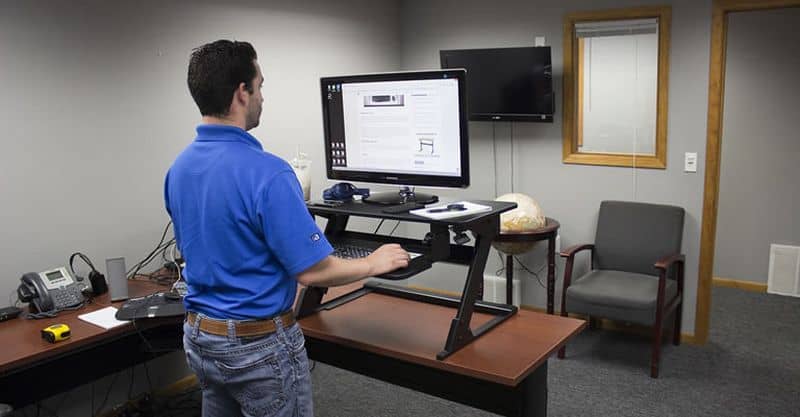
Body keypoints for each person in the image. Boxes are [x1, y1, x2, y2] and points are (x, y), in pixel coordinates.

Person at [164, 40, 410, 417]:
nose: (263, 96)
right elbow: (313, 270)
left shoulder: (178, 169)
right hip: (257, 347)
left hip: (201, 339)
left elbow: (210, 247)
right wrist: (374, 263)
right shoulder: (269, 172)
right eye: (260, 86)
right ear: (241, 93)